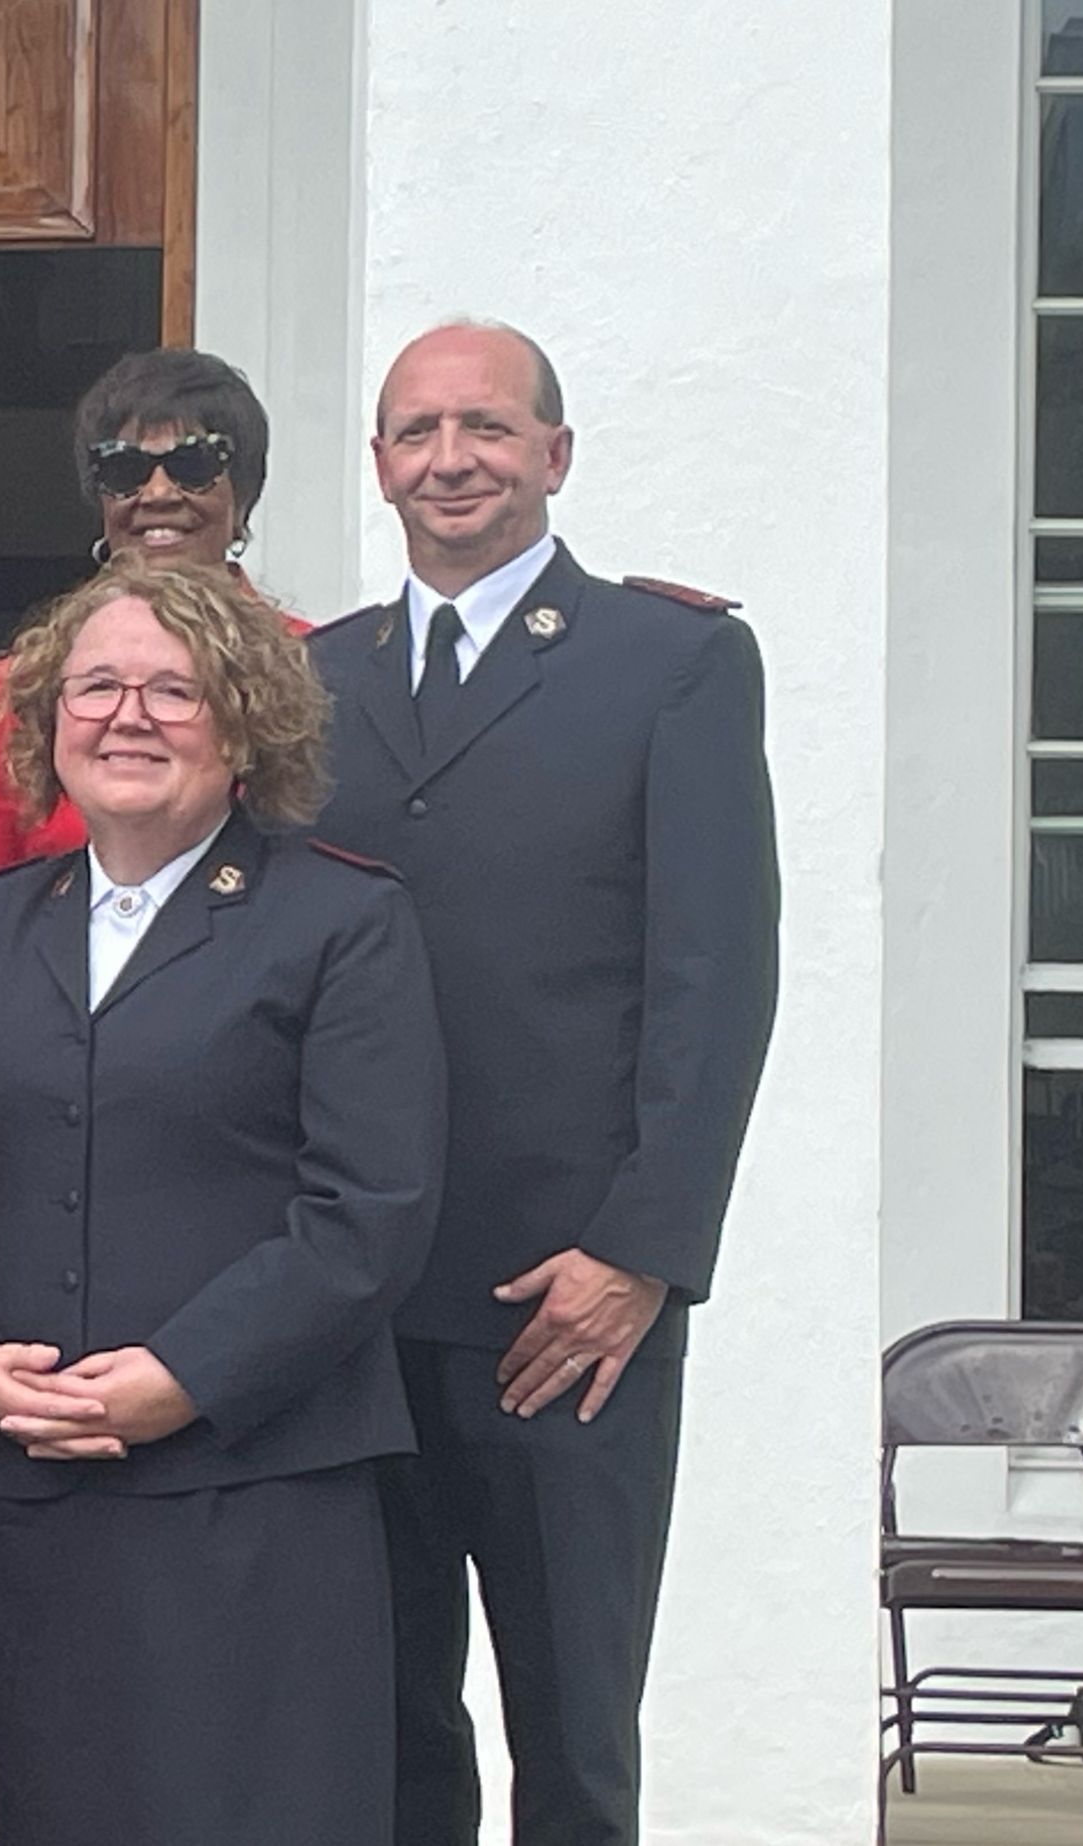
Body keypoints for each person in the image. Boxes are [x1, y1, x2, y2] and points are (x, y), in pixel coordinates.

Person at [306, 321, 779, 1846]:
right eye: (418, 431)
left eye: (488, 429)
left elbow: (716, 981)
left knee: (573, 1740)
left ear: (554, 456)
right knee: (384, 1729)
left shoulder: (674, 661)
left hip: (565, 1307)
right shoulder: (314, 678)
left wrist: (644, 1255)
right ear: (379, 464)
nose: (452, 459)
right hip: (360, 1303)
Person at [0, 558, 446, 1842]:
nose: (126, 715)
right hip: (34, 1503)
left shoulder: (339, 920)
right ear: (45, 725)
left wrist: (182, 1374)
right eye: (95, 686)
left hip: (257, 1495)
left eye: (171, 689)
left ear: (243, 718)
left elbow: (367, 1208)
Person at [0, 347, 310, 871]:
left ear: (243, 496)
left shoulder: (318, 666)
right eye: (124, 469)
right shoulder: (19, 688)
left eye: (192, 465)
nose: (157, 493)